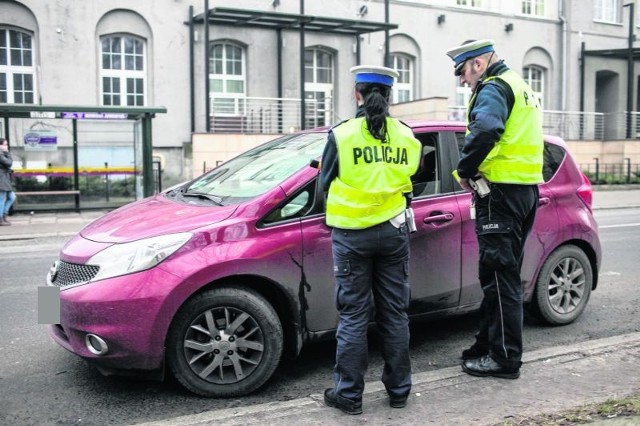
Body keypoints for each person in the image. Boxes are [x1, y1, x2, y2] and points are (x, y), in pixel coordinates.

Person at [319, 65, 422, 415]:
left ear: (357, 95)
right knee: (395, 314)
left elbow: (324, 186)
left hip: (351, 237)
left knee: (353, 317)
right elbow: (410, 179)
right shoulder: (407, 136)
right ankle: (399, 392)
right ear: (390, 96)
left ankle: (348, 395)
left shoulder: (343, 134)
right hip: (393, 233)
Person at [445, 39, 544, 379]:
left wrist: (466, 170)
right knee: (497, 276)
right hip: (524, 191)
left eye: (462, 72)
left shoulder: (493, 87)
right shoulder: (520, 85)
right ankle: (486, 344)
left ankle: (504, 359)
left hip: (500, 193)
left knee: (501, 280)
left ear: (477, 63)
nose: (462, 80)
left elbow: (487, 128)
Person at [0, 137, 16, 226]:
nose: (6, 146)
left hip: (4, 179)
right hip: (1, 179)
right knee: (1, 199)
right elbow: (8, 163)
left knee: (12, 197)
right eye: (5, 144)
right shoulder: (1, 154)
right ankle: (0, 218)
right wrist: (7, 152)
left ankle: (4, 215)